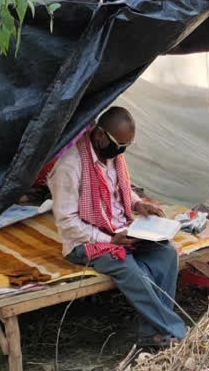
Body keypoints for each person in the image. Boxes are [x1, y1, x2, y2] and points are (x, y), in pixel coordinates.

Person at [47, 106, 186, 348]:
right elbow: (67, 223)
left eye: (125, 147)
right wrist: (110, 240)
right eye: (118, 145)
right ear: (100, 134)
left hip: (120, 232)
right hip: (85, 244)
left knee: (166, 253)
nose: (120, 151)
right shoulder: (70, 167)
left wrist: (139, 204)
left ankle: (151, 333)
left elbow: (120, 190)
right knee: (128, 265)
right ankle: (176, 330)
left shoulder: (113, 157)